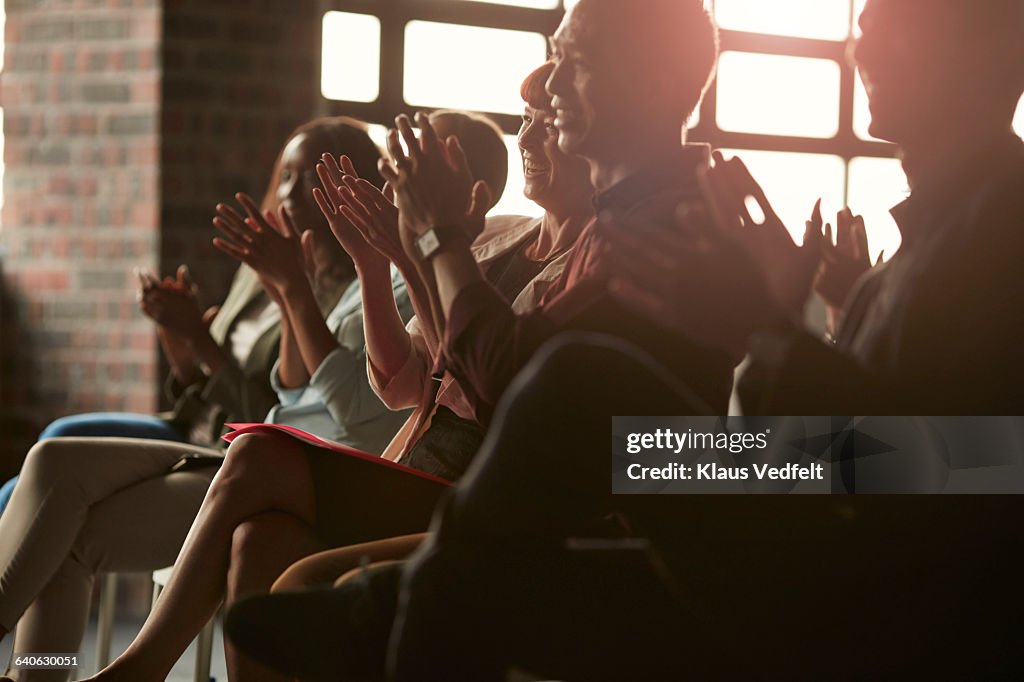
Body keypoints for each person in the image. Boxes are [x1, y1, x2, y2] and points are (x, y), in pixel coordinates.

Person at [80, 111, 517, 682]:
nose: (391, 187)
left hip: (407, 477)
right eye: (393, 170)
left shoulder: (482, 260)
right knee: (256, 537)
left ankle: (132, 669)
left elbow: (370, 402)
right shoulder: (400, 266)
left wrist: (325, 279)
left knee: (251, 454)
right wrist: (366, 263)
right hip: (313, 449)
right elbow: (390, 386)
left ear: (470, 192)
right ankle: (80, 666)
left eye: (408, 172)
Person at [0, 117, 412, 682]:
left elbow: (335, 406)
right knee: (54, 471)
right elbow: (288, 393)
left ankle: (36, 671)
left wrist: (287, 291)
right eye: (284, 176)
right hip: (234, 440)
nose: (289, 193)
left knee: (62, 496)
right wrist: (268, 296)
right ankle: (36, 673)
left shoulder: (379, 281)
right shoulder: (294, 268)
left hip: (265, 460)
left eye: (307, 178)